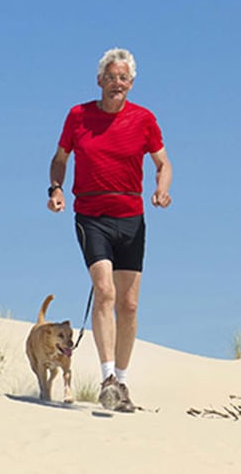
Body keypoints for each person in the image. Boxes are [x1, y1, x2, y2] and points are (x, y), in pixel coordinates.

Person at [46, 48, 173, 412]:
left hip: (131, 217)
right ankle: (107, 380)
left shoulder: (144, 119)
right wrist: (56, 189)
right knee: (104, 291)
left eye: (124, 78)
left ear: (131, 84)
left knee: (129, 304)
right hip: (92, 216)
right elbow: (59, 159)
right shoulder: (78, 115)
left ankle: (124, 380)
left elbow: (163, 163)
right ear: (99, 80)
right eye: (111, 77)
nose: (117, 83)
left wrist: (162, 189)